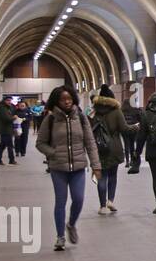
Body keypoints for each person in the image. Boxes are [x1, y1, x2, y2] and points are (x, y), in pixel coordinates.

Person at [36, 85, 101, 251]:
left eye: (69, 99)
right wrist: (53, 153)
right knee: (60, 201)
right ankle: (60, 237)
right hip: (58, 168)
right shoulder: (50, 120)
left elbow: (90, 142)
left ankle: (71, 224)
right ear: (56, 102)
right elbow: (40, 143)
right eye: (63, 99)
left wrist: (96, 165)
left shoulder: (80, 117)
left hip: (78, 166)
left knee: (78, 199)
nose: (66, 102)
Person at [90, 85, 136, 214]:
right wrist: (137, 127)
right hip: (114, 147)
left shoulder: (93, 111)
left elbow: (89, 129)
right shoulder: (116, 111)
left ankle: (102, 206)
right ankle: (110, 200)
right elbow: (125, 129)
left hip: (98, 148)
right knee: (113, 175)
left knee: (102, 176)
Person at [121, 96, 142, 172]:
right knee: (132, 145)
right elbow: (140, 118)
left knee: (126, 144)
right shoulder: (135, 110)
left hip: (125, 130)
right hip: (133, 129)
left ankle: (127, 161)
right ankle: (132, 161)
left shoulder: (121, 111)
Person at [0, 95, 18, 165]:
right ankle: (11, 160)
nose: (9, 102)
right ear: (4, 101)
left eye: (10, 100)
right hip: (6, 130)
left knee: (2, 146)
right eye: (8, 100)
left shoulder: (7, 108)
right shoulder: (3, 109)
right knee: (10, 146)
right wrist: (13, 117)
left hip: (7, 130)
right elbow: (6, 119)